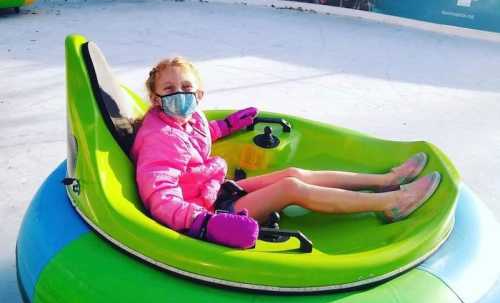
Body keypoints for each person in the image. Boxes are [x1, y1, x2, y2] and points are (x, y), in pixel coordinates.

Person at [131, 58, 441, 250]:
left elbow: (195, 140)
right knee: (292, 188)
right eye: (169, 89)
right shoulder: (157, 137)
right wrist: (205, 224)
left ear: (198, 94)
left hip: (214, 190)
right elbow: (160, 197)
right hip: (207, 215)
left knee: (294, 174)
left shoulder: (188, 117)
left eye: (186, 86)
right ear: (156, 98)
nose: (179, 94)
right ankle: (392, 203)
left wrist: (226, 125)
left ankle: (386, 180)